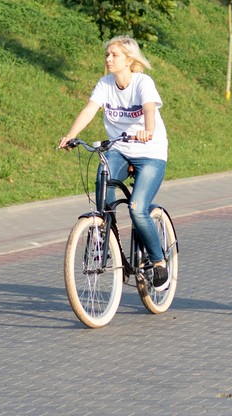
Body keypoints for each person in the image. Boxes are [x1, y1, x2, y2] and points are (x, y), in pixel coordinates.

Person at [59, 36, 170, 288]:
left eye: (114, 55)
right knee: (103, 178)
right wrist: (70, 136)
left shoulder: (143, 82)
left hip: (150, 152)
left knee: (137, 208)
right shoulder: (105, 84)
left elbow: (149, 109)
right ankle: (105, 233)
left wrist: (148, 130)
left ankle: (158, 261)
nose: (108, 59)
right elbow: (90, 109)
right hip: (119, 149)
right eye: (107, 55)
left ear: (129, 60)